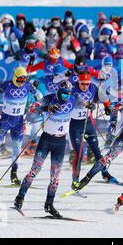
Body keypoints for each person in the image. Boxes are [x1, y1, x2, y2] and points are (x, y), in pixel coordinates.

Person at [14, 81, 76, 218]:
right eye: (64, 94)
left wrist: (90, 104)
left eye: (68, 94)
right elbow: (32, 108)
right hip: (46, 140)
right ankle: (20, 197)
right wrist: (47, 108)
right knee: (35, 170)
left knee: (55, 177)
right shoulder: (49, 98)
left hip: (60, 142)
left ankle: (49, 204)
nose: (66, 97)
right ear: (59, 91)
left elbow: (86, 101)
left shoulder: (73, 99)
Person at [70, 72, 115, 189]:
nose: (85, 86)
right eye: (82, 84)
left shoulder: (92, 87)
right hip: (75, 125)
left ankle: (105, 173)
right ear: (78, 82)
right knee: (79, 153)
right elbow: (79, 99)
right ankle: (75, 180)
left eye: (87, 84)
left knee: (97, 151)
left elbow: (102, 95)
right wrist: (88, 104)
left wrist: (107, 106)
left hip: (88, 123)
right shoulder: (73, 89)